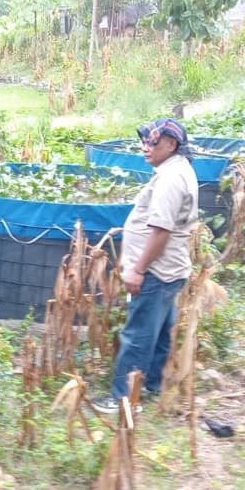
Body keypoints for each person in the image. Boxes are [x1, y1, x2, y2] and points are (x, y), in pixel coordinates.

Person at [93, 118, 198, 414]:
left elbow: (160, 230)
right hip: (170, 270)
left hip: (156, 272)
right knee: (161, 329)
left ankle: (124, 399)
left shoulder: (171, 179)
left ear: (172, 145)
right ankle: (151, 384)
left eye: (152, 142)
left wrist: (138, 269)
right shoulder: (175, 170)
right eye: (144, 140)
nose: (145, 147)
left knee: (137, 334)